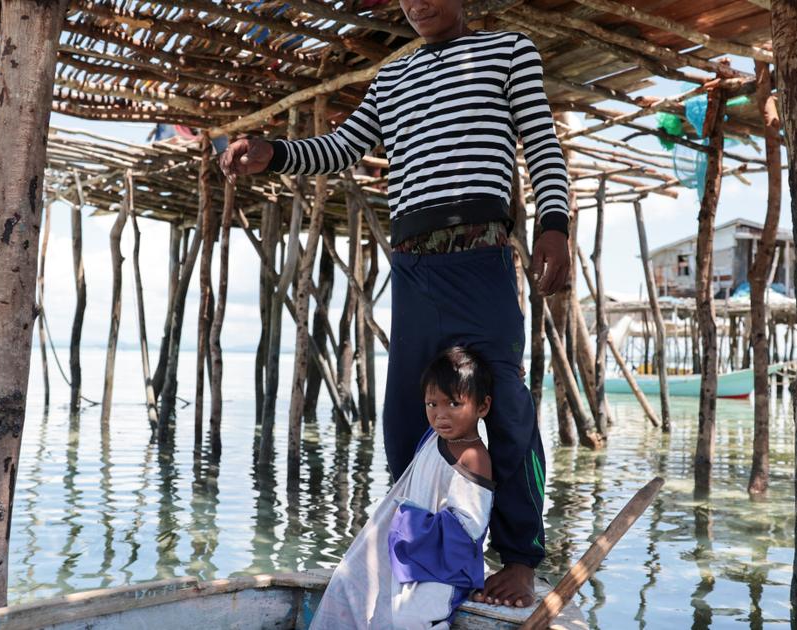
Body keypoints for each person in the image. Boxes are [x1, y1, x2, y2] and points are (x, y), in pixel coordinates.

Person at [219, 0, 572, 608]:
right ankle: (425, 549)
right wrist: (273, 151)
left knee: (509, 412)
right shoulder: (391, 76)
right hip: (412, 270)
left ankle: (518, 557)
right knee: (408, 421)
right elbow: (341, 147)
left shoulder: (510, 52)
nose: (418, 4)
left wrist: (554, 223)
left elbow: (541, 144)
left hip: (482, 261)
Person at [310, 346, 494, 628]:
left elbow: (469, 528)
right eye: (432, 404)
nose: (441, 415)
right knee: (350, 580)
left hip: (443, 567)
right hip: (416, 551)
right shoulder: (436, 439)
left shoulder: (473, 456)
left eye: (454, 404)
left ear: (482, 407)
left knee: (411, 616)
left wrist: (412, 529)